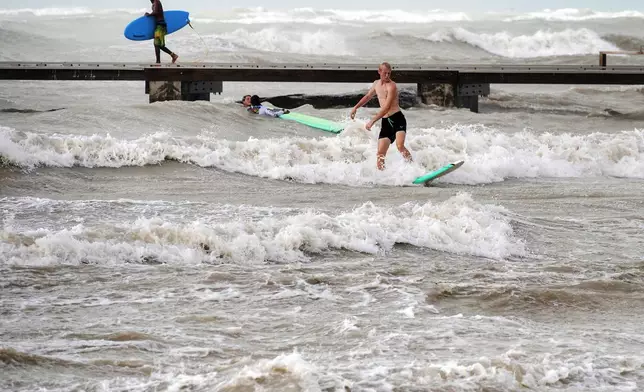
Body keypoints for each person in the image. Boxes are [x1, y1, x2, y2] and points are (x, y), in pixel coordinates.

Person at [350, 62, 412, 170]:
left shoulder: (392, 86)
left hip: (397, 119)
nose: (387, 76)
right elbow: (368, 96)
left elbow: (386, 108)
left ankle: (413, 167)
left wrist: (372, 121)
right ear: (379, 72)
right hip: (386, 122)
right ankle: (382, 176)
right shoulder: (376, 84)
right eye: (385, 73)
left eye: (389, 73)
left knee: (400, 146)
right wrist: (356, 107)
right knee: (380, 154)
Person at [145, 0, 179, 64]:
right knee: (158, 45)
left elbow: (156, 12)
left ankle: (161, 60)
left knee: (158, 44)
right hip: (159, 26)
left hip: (160, 26)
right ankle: (170, 57)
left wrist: (149, 14)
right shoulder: (155, 3)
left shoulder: (157, 1)